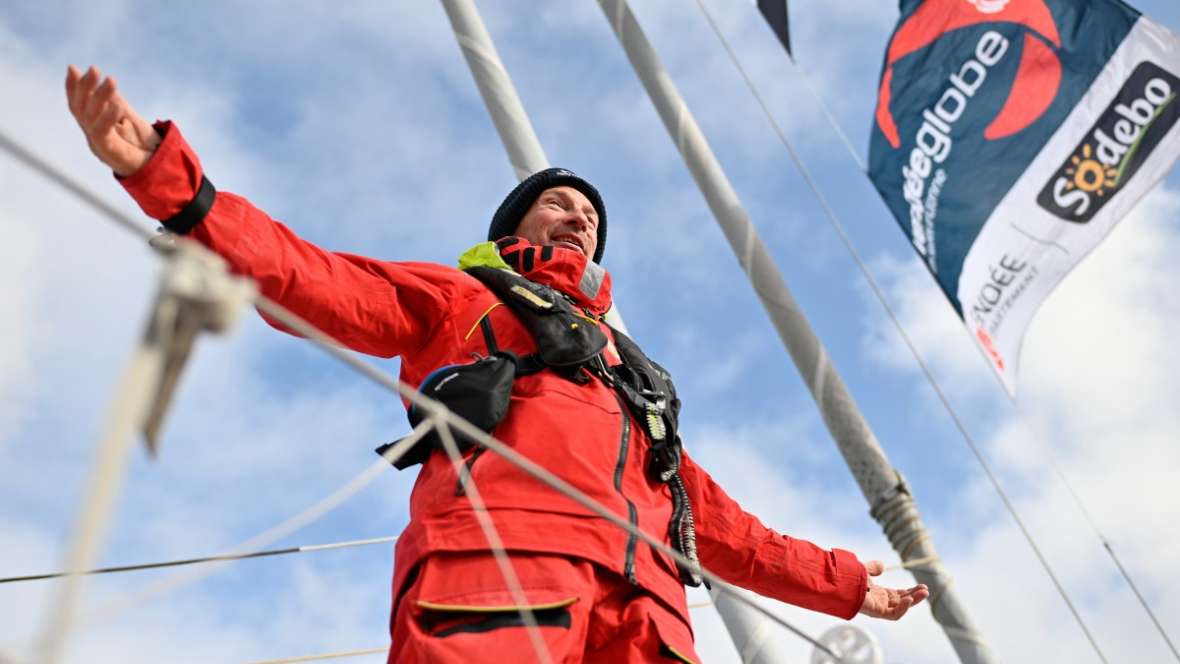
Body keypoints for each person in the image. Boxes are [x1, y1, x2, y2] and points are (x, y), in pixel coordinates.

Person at [65, 64, 928, 663]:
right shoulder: (463, 297)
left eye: (588, 211)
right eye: (557, 203)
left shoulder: (636, 382)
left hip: (647, 624)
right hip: (499, 573)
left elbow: (723, 528)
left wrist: (849, 586)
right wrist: (167, 179)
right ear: (519, 230)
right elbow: (313, 279)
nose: (577, 216)